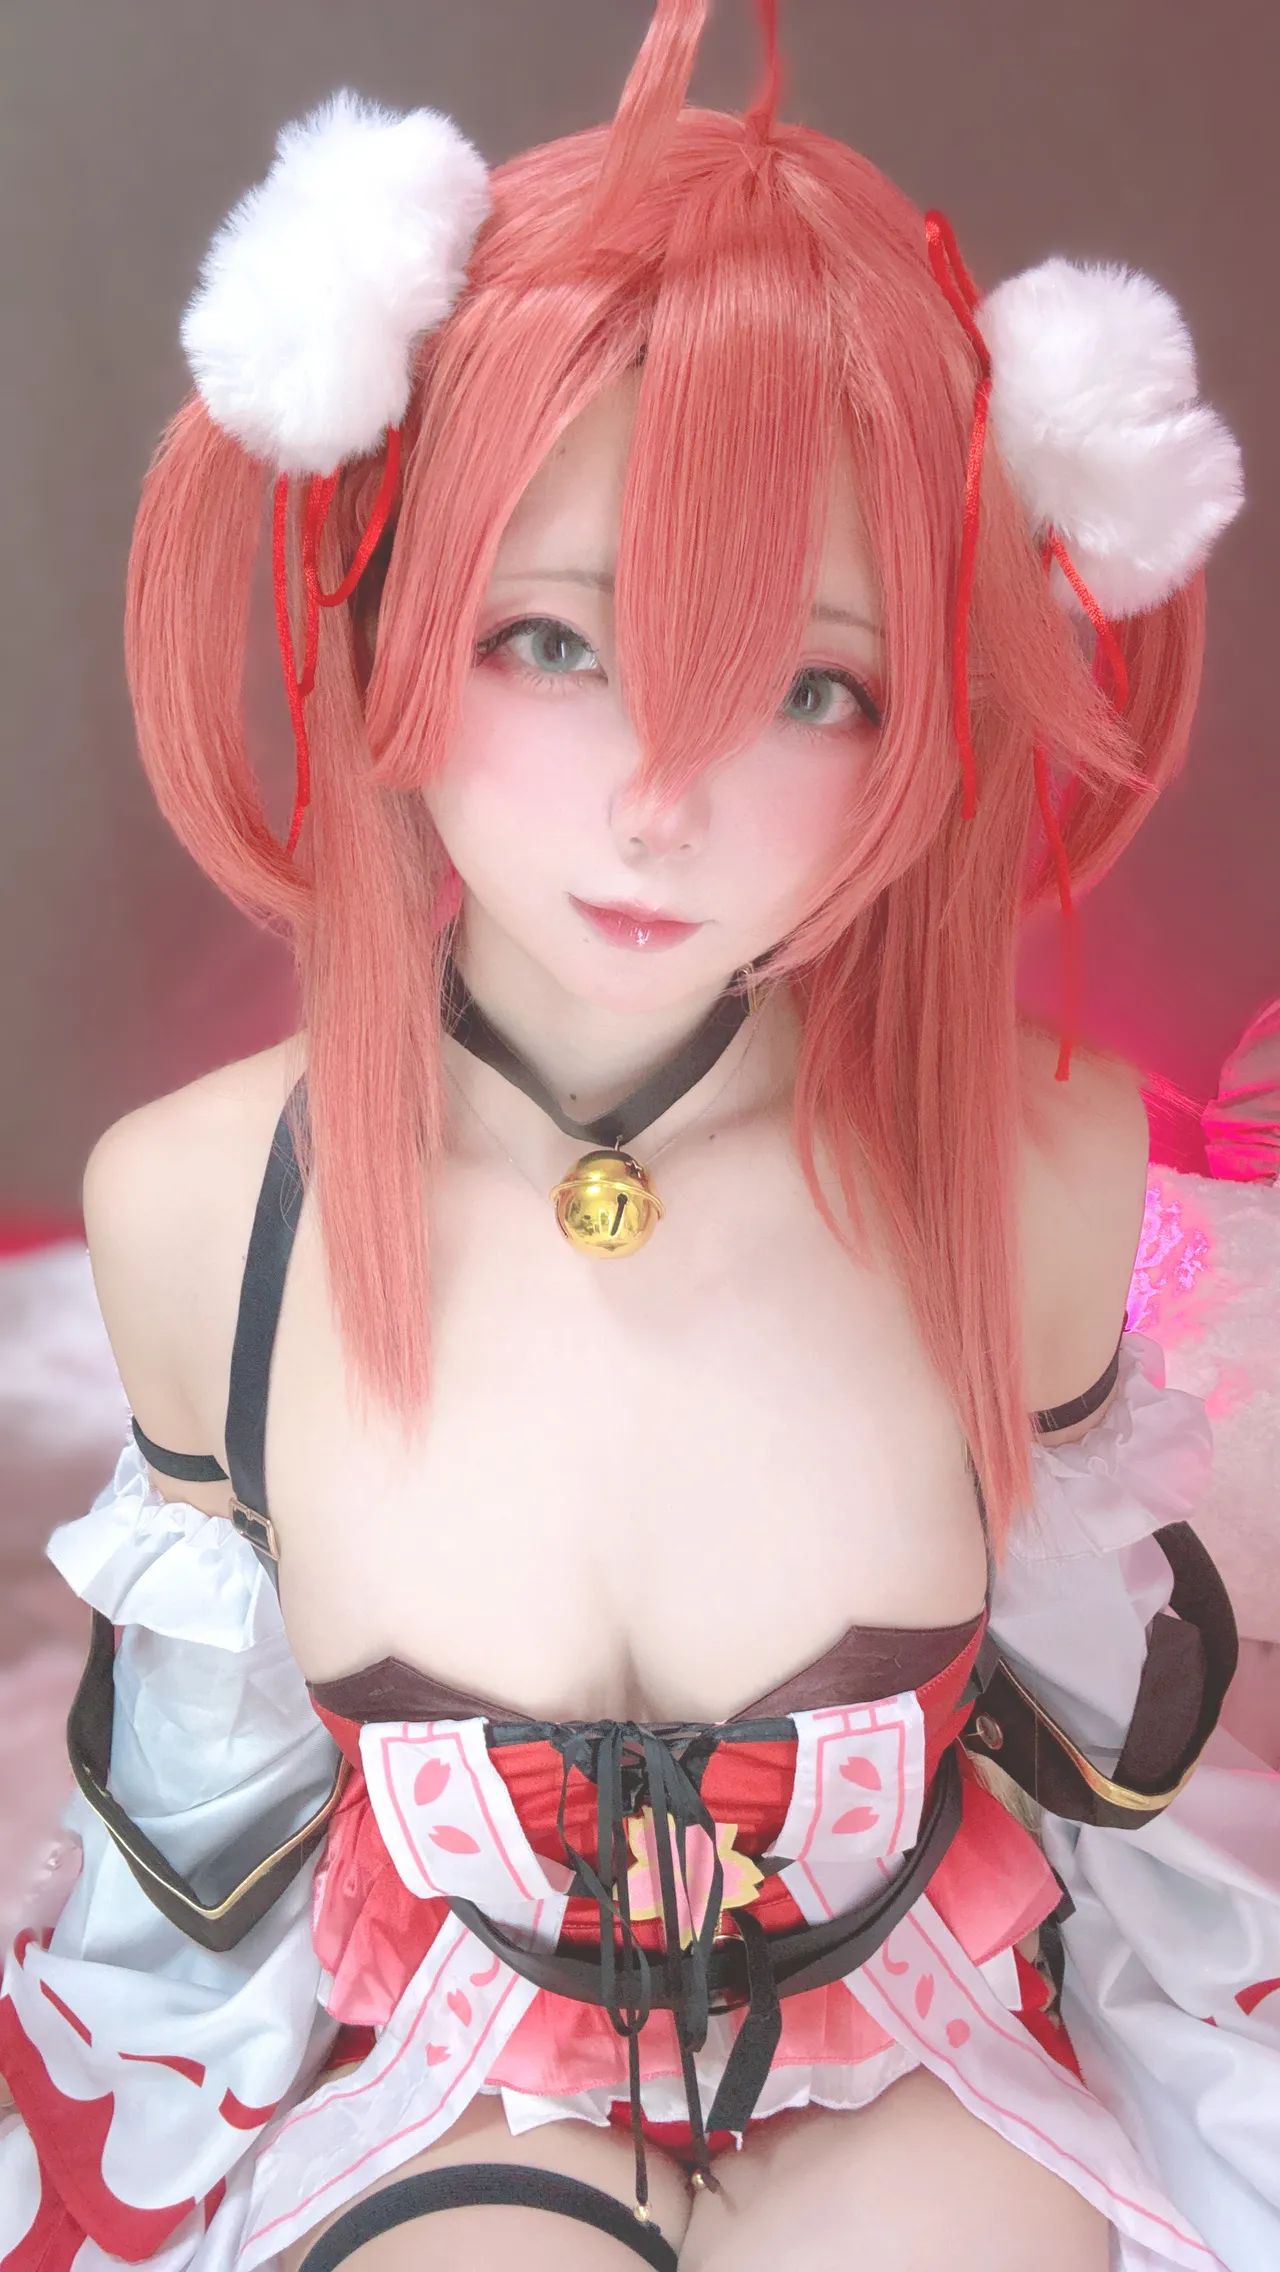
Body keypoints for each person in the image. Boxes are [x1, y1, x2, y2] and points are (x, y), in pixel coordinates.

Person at [0, 4, 1272, 2268]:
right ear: (390, 603)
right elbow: (188, 1862)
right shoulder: (201, 1209)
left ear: (927, 722)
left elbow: (1128, 1816)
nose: (664, 797)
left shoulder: (1047, 1181)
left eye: (811, 685)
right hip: (459, 2089)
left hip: (933, 2073)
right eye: (554, 641)